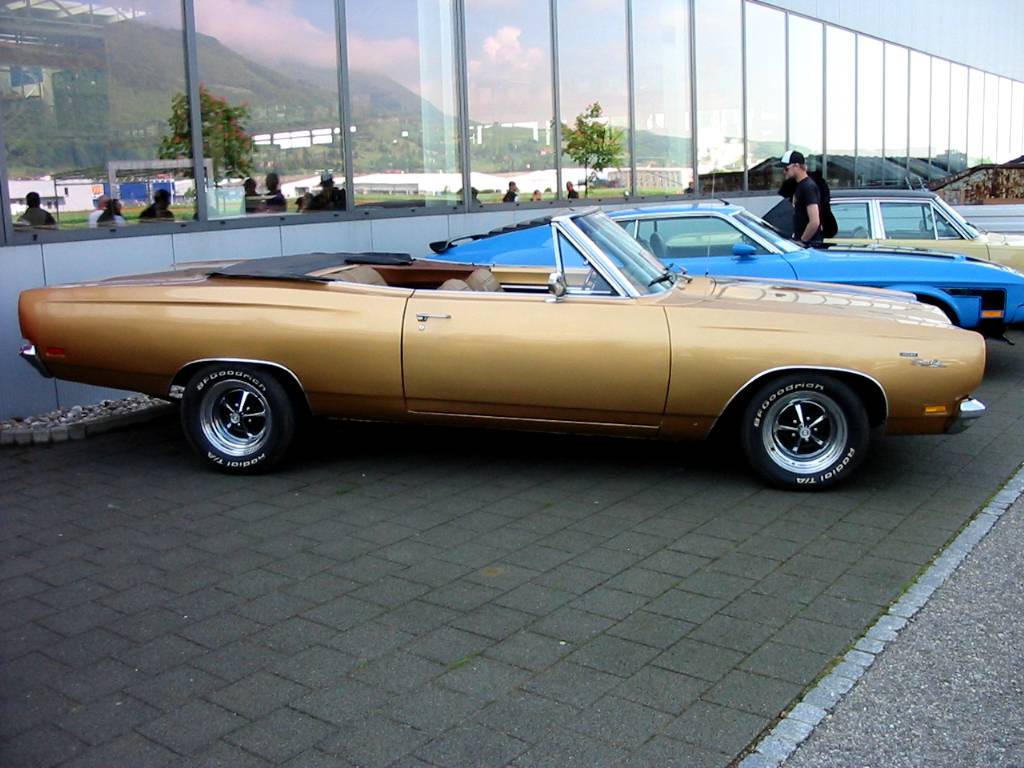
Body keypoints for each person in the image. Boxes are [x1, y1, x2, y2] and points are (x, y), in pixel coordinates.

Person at [779, 150, 822, 247]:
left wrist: (802, 241)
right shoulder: (801, 186)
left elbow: (814, 221)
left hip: (810, 246)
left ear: (796, 166)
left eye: (786, 168)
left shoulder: (808, 187)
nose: (784, 172)